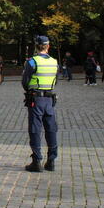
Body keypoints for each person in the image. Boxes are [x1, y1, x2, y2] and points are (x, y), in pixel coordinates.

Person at [23, 36, 59, 172]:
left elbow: (25, 82)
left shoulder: (32, 62)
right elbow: (56, 81)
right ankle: (51, 160)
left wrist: (30, 89)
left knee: (35, 129)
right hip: (49, 99)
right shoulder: (54, 62)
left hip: (36, 99)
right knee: (51, 129)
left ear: (36, 46)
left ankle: (36, 161)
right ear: (48, 46)